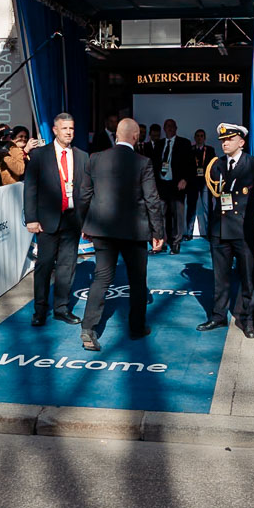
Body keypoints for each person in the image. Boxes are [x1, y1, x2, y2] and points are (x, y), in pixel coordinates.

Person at [75, 117, 164, 352]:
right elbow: (152, 200)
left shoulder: (95, 159)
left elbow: (84, 195)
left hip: (102, 230)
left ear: (116, 135)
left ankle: (88, 328)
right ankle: (136, 327)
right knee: (137, 281)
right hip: (134, 232)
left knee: (102, 277)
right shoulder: (142, 162)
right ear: (136, 137)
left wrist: (83, 224)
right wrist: (158, 232)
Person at [199, 123, 254, 336]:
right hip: (220, 229)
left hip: (242, 230)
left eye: (229, 139)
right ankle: (218, 316)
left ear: (241, 142)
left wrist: (249, 213)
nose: (225, 143)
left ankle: (248, 321)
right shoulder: (216, 164)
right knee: (220, 278)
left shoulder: (253, 164)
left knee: (248, 277)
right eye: (222, 140)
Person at [23, 112, 88, 327]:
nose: (69, 132)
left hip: (72, 220)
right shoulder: (40, 156)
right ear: (55, 130)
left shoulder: (81, 156)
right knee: (44, 266)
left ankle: (61, 308)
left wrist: (87, 221)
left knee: (67, 267)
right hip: (46, 221)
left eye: (71, 128)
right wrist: (31, 218)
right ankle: (40, 310)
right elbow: (30, 189)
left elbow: (87, 191)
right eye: (64, 128)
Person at [152, 118, 195, 255]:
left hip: (177, 184)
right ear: (164, 129)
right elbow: (154, 164)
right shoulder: (159, 144)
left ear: (176, 128)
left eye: (172, 126)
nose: (169, 128)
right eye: (167, 126)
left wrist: (185, 180)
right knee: (161, 214)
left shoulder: (184, 143)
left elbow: (190, 165)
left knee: (177, 214)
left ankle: (176, 243)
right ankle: (162, 241)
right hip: (162, 184)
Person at [188, 127, 216, 236]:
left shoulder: (210, 150)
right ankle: (189, 232)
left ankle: (209, 233)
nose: (199, 138)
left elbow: (213, 165)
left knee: (207, 207)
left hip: (205, 182)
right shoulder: (190, 149)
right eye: (198, 136)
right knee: (191, 208)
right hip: (192, 182)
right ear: (195, 138)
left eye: (201, 136)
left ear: (204, 138)